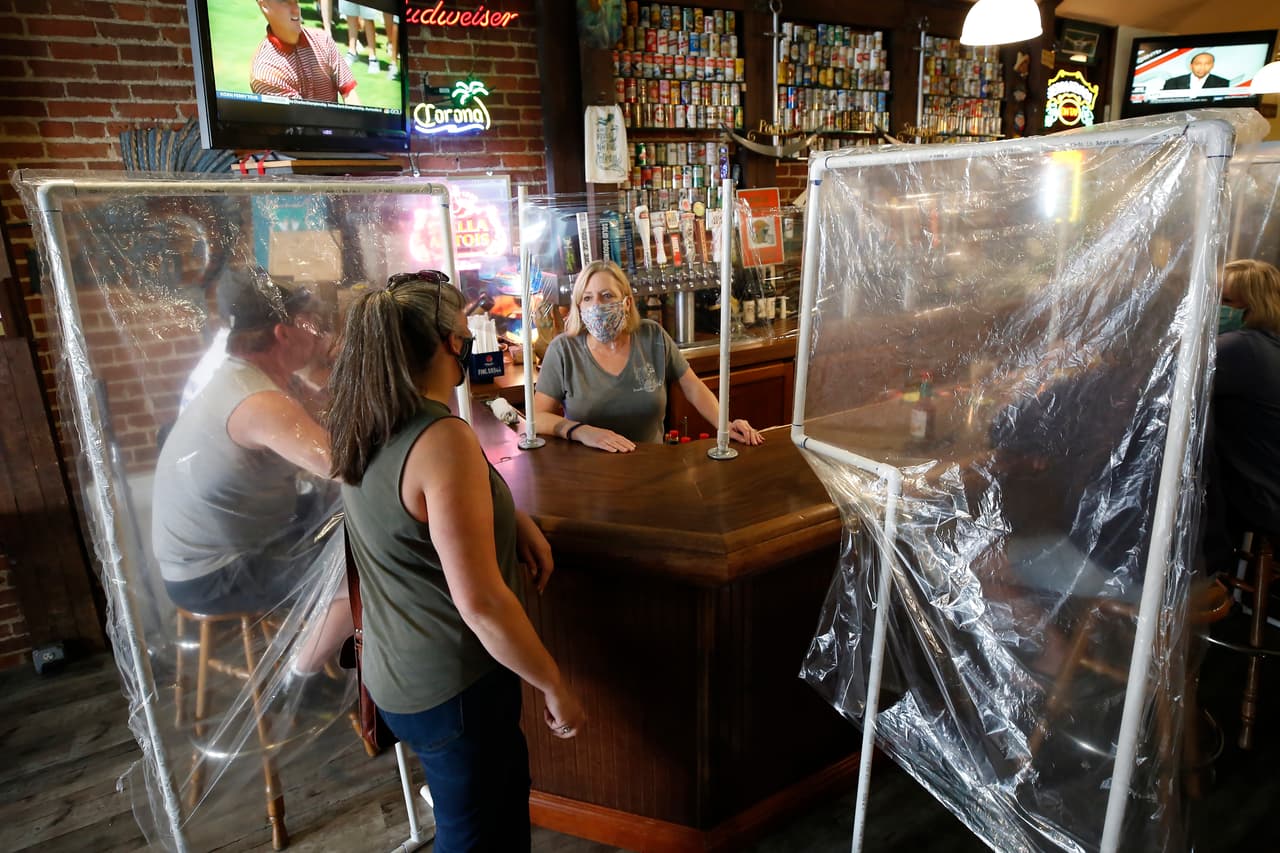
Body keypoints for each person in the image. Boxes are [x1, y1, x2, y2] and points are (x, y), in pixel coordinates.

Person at [326, 270, 586, 850]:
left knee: (467, 822)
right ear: (451, 342)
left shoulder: (366, 420)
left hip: (395, 675)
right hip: (455, 686)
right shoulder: (440, 438)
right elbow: (484, 603)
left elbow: (412, 517)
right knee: (480, 837)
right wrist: (553, 683)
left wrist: (506, 515)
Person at [152, 267, 351, 674]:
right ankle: (299, 679)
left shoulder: (247, 375)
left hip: (243, 538)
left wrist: (317, 376)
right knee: (365, 574)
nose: (318, 336)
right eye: (310, 325)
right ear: (283, 333)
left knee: (346, 522)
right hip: (215, 571)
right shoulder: (258, 400)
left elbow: (329, 430)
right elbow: (346, 466)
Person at [533, 259, 765, 452]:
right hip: (589, 475)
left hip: (652, 467)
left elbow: (693, 387)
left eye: (606, 296)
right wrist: (580, 431)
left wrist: (724, 424)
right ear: (579, 307)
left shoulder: (652, 336)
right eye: (587, 298)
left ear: (626, 302)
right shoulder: (563, 350)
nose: (597, 306)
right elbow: (537, 418)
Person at [1204, 259, 1280, 564]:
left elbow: (1168, 384)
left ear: (1252, 305)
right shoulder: (1270, 347)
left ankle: (1200, 579)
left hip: (1263, 496)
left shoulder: (1239, 348)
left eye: (1225, 301)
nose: (1216, 307)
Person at [250, 0, 361, 105]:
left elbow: (349, 92)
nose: (296, 9)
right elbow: (300, 120)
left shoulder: (323, 40)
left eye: (296, 1)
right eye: (285, 1)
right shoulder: (266, 73)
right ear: (264, 5)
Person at [1162, 52, 1230, 91]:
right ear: (1191, 65)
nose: (1202, 67)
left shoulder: (1222, 83)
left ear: (1212, 66)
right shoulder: (1172, 82)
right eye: (1198, 64)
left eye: (1207, 64)